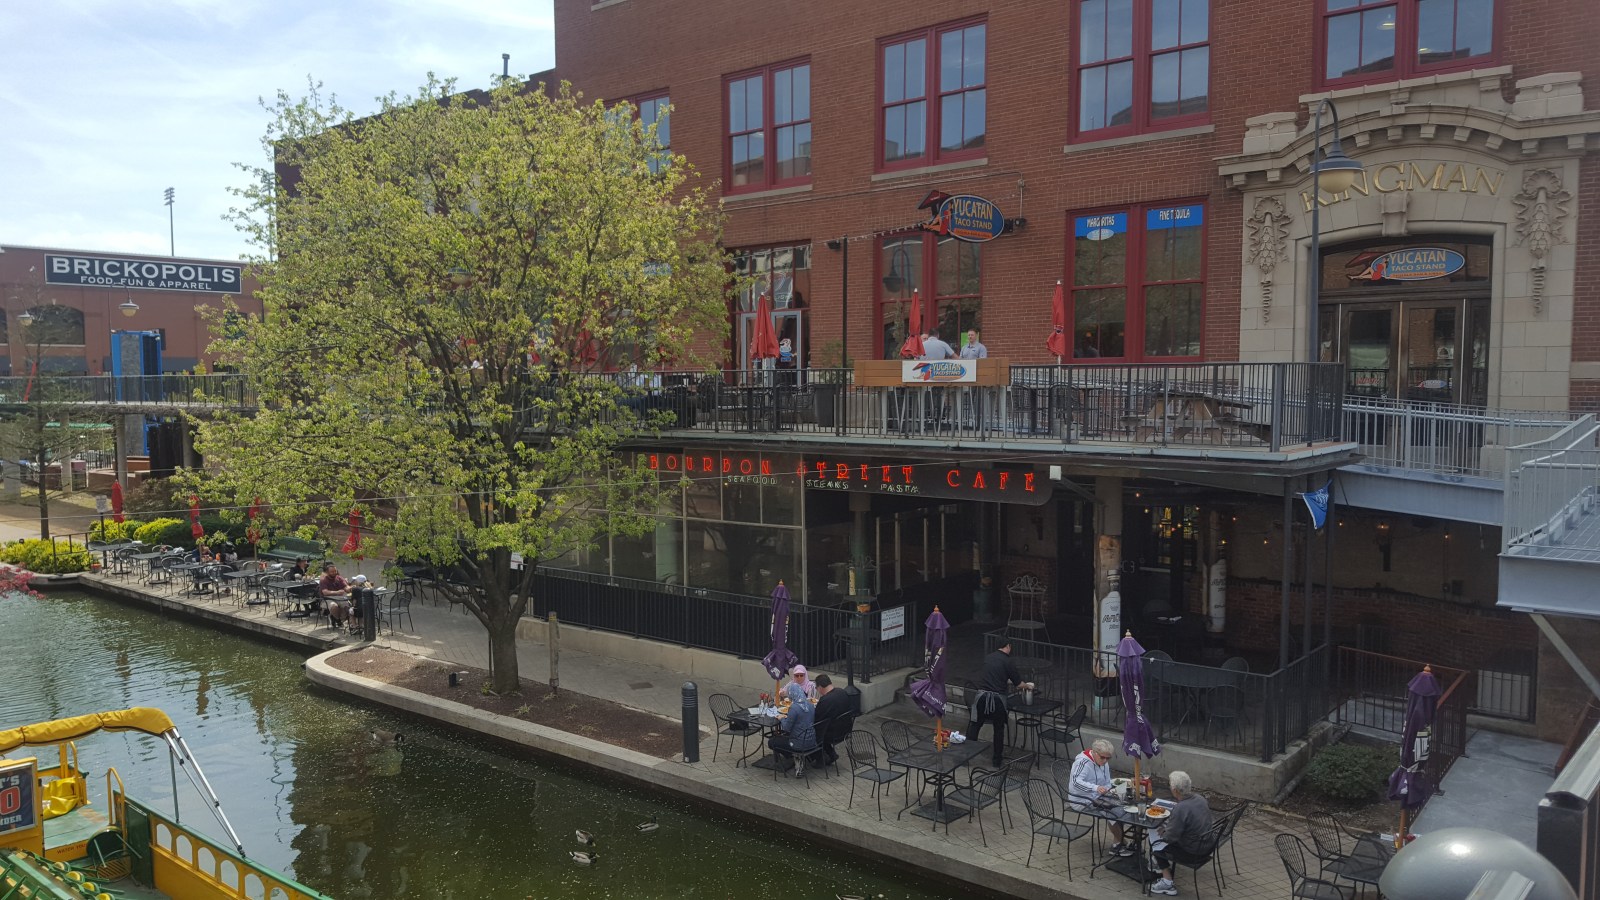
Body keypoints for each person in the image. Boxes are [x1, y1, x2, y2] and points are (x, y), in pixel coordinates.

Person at [968, 641, 1033, 769]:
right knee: (998, 730)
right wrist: (1028, 686)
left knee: (974, 726)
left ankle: (965, 755)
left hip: (981, 697)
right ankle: (997, 761)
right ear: (1008, 646)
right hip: (998, 700)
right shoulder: (1008, 661)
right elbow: (1019, 684)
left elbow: (993, 676)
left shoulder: (988, 658)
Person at [1149, 770, 1215, 896]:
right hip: (1208, 845)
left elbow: (1169, 838)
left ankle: (1167, 882)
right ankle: (1158, 864)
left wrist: (1165, 832)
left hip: (1192, 852)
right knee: (1161, 834)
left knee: (1155, 840)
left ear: (1175, 790)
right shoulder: (1200, 799)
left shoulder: (1181, 808)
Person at [1068, 739, 1134, 857]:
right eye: (1102, 757)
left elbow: (1107, 782)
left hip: (1097, 796)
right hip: (1081, 800)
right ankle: (1118, 845)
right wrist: (1096, 788)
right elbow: (1075, 783)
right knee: (1112, 811)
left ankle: (1119, 841)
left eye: (1108, 758)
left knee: (1123, 803)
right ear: (1094, 752)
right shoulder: (1083, 762)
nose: (1105, 761)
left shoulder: (1104, 761)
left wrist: (1109, 790)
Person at [768, 682, 818, 777]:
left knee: (772, 741)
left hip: (798, 743)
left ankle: (794, 755)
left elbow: (786, 728)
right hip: (812, 741)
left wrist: (782, 718)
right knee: (788, 736)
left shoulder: (794, 708)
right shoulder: (811, 705)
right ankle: (796, 756)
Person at [811, 673, 851, 766]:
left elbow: (817, 719)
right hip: (846, 728)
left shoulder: (825, 700)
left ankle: (819, 758)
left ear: (820, 687)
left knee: (812, 731)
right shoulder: (842, 692)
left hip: (833, 733)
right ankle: (831, 754)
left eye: (816, 688)